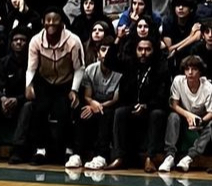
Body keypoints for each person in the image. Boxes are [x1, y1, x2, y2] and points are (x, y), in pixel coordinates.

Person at [24, 8, 84, 165]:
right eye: (48, 20)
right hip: (45, 81)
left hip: (67, 82)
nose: (51, 23)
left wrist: (74, 90)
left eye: (55, 20)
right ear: (43, 22)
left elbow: (79, 69)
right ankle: (40, 150)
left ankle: (68, 151)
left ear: (62, 23)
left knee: (65, 110)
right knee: (39, 109)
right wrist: (28, 85)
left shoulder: (73, 41)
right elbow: (31, 68)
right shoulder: (36, 41)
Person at [102, 37, 168, 172]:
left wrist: (146, 106)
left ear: (153, 51)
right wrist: (118, 39)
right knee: (119, 112)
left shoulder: (160, 68)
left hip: (152, 107)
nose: (143, 53)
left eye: (147, 49)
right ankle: (119, 157)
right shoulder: (130, 65)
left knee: (157, 114)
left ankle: (150, 158)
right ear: (135, 50)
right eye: (140, 49)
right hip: (132, 105)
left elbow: (163, 96)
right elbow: (108, 61)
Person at [66, 37, 121, 169]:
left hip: (110, 106)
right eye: (103, 50)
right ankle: (76, 154)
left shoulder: (120, 72)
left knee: (106, 114)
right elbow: (87, 96)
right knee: (82, 111)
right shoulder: (90, 70)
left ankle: (101, 156)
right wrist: (93, 105)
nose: (106, 53)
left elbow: (115, 98)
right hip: (94, 104)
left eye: (109, 50)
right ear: (98, 54)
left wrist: (99, 106)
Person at [0, 27, 33, 164]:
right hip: (5, 103)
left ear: (28, 43)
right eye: (16, 40)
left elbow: (35, 91)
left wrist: (17, 100)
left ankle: (18, 149)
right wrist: (3, 99)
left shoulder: (33, 63)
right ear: (11, 43)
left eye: (22, 40)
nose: (19, 43)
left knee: (29, 105)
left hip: (22, 102)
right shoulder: (4, 62)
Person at [159, 55, 212, 172]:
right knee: (173, 116)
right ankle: (169, 156)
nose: (190, 72)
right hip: (183, 117)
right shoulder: (178, 81)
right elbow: (174, 104)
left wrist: (199, 120)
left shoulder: (208, 87)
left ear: (200, 71)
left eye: (194, 69)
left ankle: (189, 157)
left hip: (200, 120)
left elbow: (210, 112)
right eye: (187, 69)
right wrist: (188, 115)